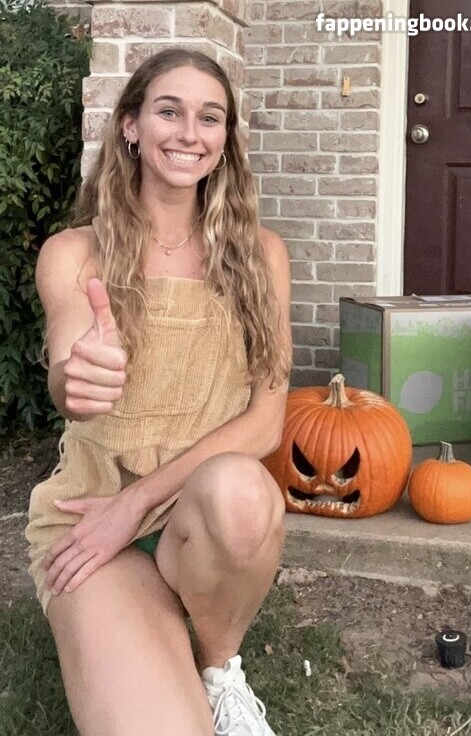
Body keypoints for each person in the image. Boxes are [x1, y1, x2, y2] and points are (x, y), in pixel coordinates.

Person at [25, 47, 292, 736]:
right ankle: (144, 618)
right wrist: (78, 377)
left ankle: (219, 666)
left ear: (225, 139)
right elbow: (67, 376)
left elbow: (267, 420)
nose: (188, 133)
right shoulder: (75, 253)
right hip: (93, 518)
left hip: (198, 513)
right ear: (130, 126)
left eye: (210, 118)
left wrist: (137, 503)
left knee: (241, 491)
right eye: (168, 111)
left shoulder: (261, 255)